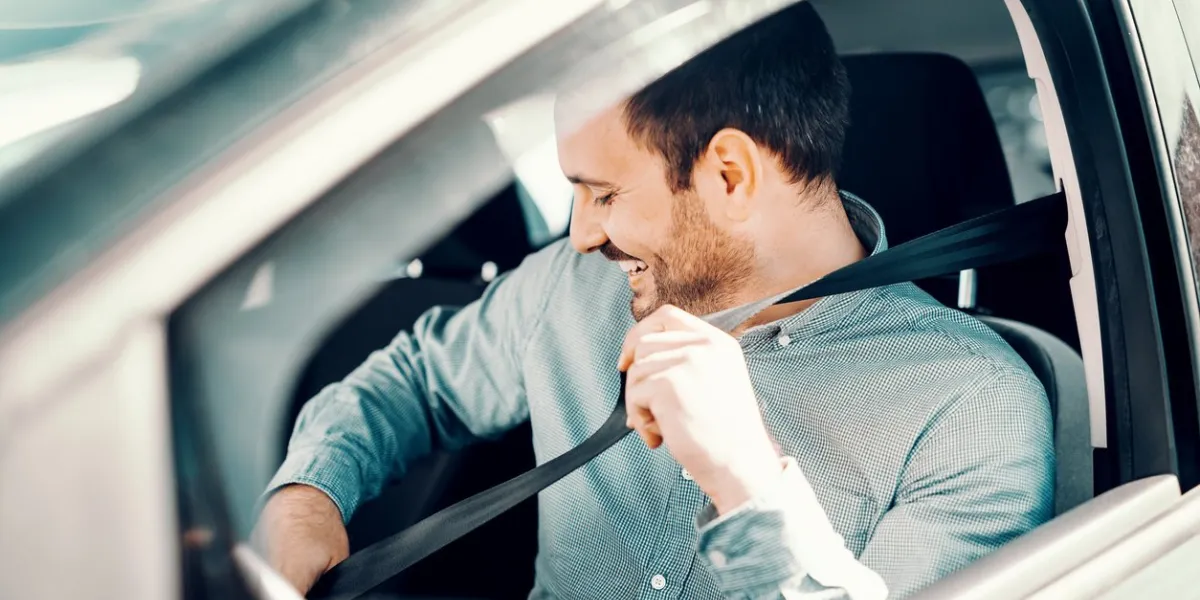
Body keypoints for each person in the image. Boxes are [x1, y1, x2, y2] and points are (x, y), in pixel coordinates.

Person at [253, 4, 1054, 599]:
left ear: (729, 176)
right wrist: (307, 495)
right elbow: (414, 382)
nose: (578, 236)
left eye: (602, 193)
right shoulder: (573, 290)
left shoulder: (972, 408)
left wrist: (748, 479)